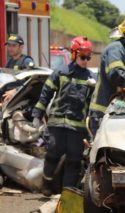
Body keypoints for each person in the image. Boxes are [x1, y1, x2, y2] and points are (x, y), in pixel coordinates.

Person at [32, 36, 95, 197]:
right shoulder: (60, 72)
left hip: (77, 128)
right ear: (74, 54)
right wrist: (37, 115)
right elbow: (46, 93)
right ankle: (46, 184)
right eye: (83, 56)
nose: (86, 60)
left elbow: (94, 106)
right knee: (52, 155)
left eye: (88, 57)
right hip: (57, 125)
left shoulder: (91, 79)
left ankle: (67, 193)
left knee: (73, 161)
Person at [2, 34, 35, 102]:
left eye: (14, 46)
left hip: (22, 100)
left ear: (21, 47)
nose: (10, 48)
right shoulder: (9, 63)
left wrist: (15, 91)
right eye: (9, 46)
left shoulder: (26, 61)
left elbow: (33, 82)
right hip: (8, 100)